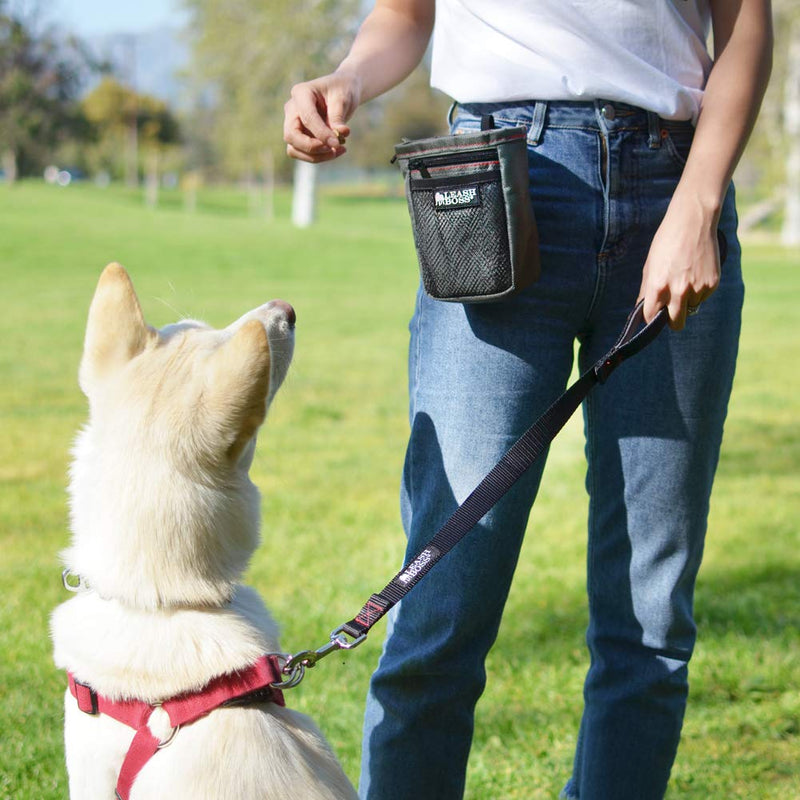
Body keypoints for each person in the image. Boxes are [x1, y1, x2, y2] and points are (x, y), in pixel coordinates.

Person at [284, 2, 773, 798]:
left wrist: (700, 202)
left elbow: (746, 25)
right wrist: (345, 78)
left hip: (672, 189)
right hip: (497, 186)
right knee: (440, 606)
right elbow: (406, 15)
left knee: (649, 622)